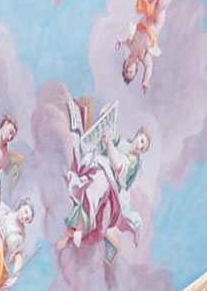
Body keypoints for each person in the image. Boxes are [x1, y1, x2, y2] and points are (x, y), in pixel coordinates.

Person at [59, 112, 149, 262]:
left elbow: (118, 165)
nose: (140, 146)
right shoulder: (123, 142)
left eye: (144, 147)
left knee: (99, 185)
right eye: (141, 141)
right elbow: (110, 137)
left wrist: (108, 145)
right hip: (98, 164)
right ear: (138, 135)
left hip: (111, 181)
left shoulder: (134, 161)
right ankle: (72, 230)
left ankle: (81, 227)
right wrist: (104, 122)